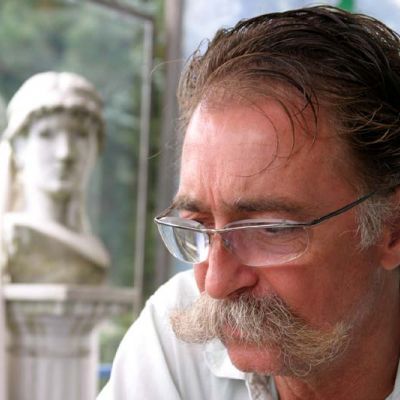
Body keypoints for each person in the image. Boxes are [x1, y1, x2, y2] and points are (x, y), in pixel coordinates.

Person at [98, 6, 400, 399]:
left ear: (392, 228)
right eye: (199, 224)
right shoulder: (174, 343)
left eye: (269, 230)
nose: (216, 284)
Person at [0, 71, 109, 284]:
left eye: (80, 134)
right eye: (46, 135)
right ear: (19, 146)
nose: (65, 153)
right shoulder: (14, 237)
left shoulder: (94, 248)